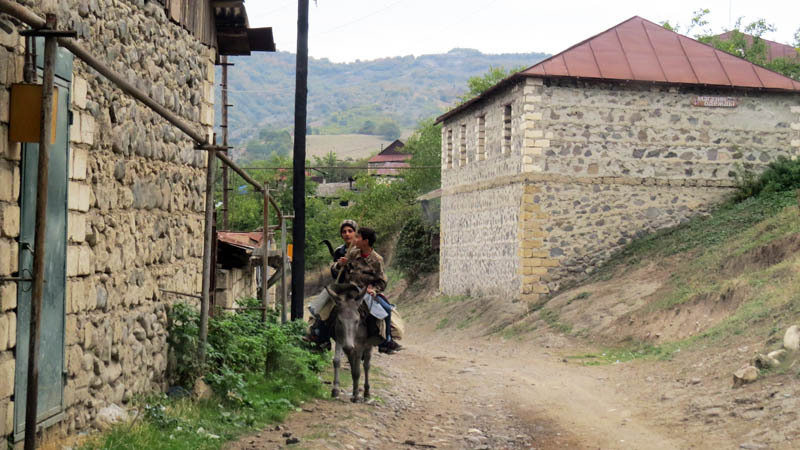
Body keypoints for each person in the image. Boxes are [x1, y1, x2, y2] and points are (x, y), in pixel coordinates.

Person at [339, 227, 402, 354]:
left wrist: (374, 290)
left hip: (366, 293)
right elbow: (340, 269)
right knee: (327, 304)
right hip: (349, 291)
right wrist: (341, 264)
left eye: (358, 237)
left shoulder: (377, 260)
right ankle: (319, 333)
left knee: (386, 309)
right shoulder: (353, 253)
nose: (354, 239)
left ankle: (386, 341)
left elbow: (382, 281)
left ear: (365, 241)